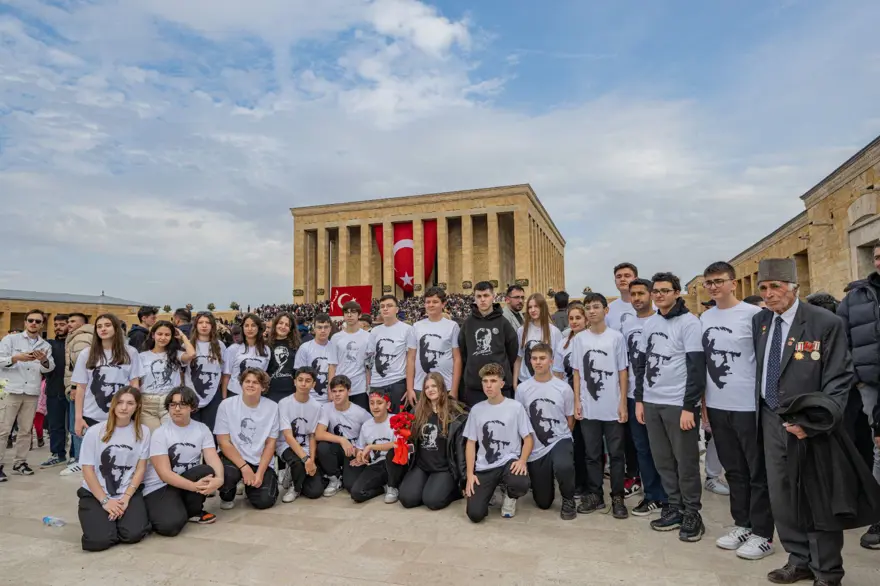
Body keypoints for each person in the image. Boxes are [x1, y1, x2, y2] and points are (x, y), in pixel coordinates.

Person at [755, 258, 861, 585]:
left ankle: (827, 571)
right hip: (772, 419)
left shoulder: (823, 322)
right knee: (783, 495)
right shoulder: (760, 322)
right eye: (763, 288)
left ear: (793, 287)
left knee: (816, 498)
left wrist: (813, 422)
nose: (769, 294)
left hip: (810, 425)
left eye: (776, 287)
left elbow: (839, 379)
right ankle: (798, 559)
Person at [698, 261, 775, 560]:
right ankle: (742, 524)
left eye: (719, 281)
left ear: (733, 283)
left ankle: (763, 533)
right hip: (718, 404)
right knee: (734, 471)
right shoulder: (705, 317)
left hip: (748, 405)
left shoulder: (755, 315)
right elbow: (703, 363)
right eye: (709, 282)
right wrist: (704, 403)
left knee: (757, 472)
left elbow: (768, 361)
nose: (714, 286)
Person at [634, 272, 706, 542]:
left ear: (677, 293)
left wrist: (690, 405)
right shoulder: (650, 323)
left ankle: (692, 512)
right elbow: (641, 364)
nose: (659, 295)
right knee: (663, 459)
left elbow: (696, 367)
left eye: (665, 290)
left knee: (685, 461)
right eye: (656, 291)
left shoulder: (689, 323)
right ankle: (674, 506)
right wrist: (640, 399)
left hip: (678, 403)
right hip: (652, 401)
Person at [570, 293, 629, 519]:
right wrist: (577, 400)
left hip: (612, 405)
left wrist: (623, 401)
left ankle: (617, 497)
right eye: (588, 307)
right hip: (589, 405)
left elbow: (623, 371)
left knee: (616, 454)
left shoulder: (616, 338)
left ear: (606, 310)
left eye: (596, 307)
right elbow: (577, 373)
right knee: (592, 455)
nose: (592, 311)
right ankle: (595, 494)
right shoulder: (580, 339)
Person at [837, 246, 880, 549]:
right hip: (872, 383)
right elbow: (841, 340)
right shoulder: (856, 297)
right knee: (879, 445)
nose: (878, 261)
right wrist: (858, 380)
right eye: (876, 256)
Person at [76, 386, 151, 552]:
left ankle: (119, 520)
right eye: (120, 402)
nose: (124, 407)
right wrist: (105, 501)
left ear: (137, 406)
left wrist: (125, 498)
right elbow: (87, 470)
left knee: (133, 535)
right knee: (99, 541)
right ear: (113, 405)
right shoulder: (95, 431)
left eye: (130, 403)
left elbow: (140, 468)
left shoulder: (143, 432)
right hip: (96, 493)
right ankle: (105, 523)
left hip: (126, 492)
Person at [142, 386, 224, 535]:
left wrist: (220, 479)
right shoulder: (160, 434)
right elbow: (164, 474)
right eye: (172, 405)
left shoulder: (202, 428)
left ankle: (192, 511)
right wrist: (194, 487)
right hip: (160, 486)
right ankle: (165, 510)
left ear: (192, 407)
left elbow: (212, 457)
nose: (177, 409)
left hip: (186, 482)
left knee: (206, 470)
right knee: (170, 527)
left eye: (182, 404)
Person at [621, 279, 669, 517]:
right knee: (642, 448)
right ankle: (653, 495)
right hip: (633, 394)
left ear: (651, 295)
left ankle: (670, 495)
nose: (637, 298)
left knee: (663, 448)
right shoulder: (627, 325)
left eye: (641, 293)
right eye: (633, 294)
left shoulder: (663, 321)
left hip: (659, 395)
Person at [464, 363, 533, 522]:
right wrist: (470, 474)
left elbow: (528, 439)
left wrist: (522, 460)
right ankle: (490, 491)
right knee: (474, 515)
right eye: (485, 381)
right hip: (485, 466)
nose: (489, 385)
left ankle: (510, 496)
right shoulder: (476, 410)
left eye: (493, 381)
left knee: (520, 482)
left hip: (508, 462)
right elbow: (470, 443)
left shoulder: (515, 407)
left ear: (502, 383)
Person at [515, 343, 577, 519]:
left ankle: (568, 499)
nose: (538, 362)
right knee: (543, 503)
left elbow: (570, 420)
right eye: (534, 358)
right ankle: (545, 480)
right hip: (536, 445)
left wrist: (563, 440)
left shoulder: (563, 388)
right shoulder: (522, 389)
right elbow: (521, 421)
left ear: (551, 361)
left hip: (559, 438)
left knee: (563, 464)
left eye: (542, 358)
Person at [398, 372, 467, 510]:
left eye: (434, 386)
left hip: (444, 468)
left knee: (432, 501)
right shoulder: (417, 411)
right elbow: (411, 442)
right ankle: (428, 485)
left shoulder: (456, 413)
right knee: (407, 499)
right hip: (422, 466)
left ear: (442, 387)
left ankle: (452, 490)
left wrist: (464, 480)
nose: (430, 390)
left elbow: (461, 450)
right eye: (427, 387)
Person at [0, 309, 54, 480]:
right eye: (31, 320)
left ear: (42, 324)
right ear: (25, 322)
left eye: (38, 321)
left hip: (31, 391)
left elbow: (49, 367)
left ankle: (20, 462)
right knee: (3, 430)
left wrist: (43, 360)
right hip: (11, 390)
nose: (34, 324)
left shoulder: (45, 345)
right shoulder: (10, 339)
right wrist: (16, 358)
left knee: (25, 430)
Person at [215, 368, 280, 510]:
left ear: (263, 387)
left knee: (265, 501)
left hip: (258, 460)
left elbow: (270, 444)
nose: (250, 385)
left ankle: (249, 488)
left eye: (255, 382)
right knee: (228, 476)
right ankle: (228, 494)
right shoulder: (226, 405)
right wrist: (244, 468)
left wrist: (260, 473)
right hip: (233, 458)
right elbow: (223, 442)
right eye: (247, 381)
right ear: (241, 384)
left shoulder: (273, 407)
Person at [73, 314, 142, 439]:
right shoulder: (86, 354)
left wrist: (135, 412)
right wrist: (78, 417)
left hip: (122, 415)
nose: (103, 329)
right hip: (92, 416)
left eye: (107, 325)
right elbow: (81, 387)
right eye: (99, 326)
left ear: (116, 327)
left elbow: (134, 384)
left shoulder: (131, 352)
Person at [458, 282, 519, 407]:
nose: (482, 300)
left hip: (500, 386)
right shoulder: (468, 323)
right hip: (475, 387)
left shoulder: (503, 323)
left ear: (493, 296)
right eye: (479, 296)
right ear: (474, 298)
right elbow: (463, 351)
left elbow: (512, 350)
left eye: (486, 295)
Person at [315, 375, 373, 497]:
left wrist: (363, 451)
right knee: (322, 447)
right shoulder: (326, 408)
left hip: (353, 451)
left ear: (349, 391)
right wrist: (342, 439)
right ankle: (334, 478)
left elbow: (373, 432)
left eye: (341, 390)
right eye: (334, 391)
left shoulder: (360, 412)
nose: (337, 394)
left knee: (351, 486)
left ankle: (346, 477)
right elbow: (319, 434)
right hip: (337, 449)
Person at [553, 303, 589, 497]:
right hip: (569, 398)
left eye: (578, 318)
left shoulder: (591, 339)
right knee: (574, 441)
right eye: (572, 318)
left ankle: (589, 484)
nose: (574, 321)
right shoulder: (564, 342)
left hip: (587, 398)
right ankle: (577, 483)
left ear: (586, 319)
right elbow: (558, 373)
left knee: (588, 444)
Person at [277, 367, 326, 503]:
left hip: (305, 448)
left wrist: (311, 459)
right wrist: (306, 460)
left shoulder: (316, 406)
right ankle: (295, 488)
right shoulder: (284, 403)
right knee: (298, 463)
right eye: (300, 380)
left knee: (315, 492)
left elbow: (311, 435)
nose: (303, 384)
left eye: (308, 381)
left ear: (313, 384)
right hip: (286, 445)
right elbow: (287, 436)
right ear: (295, 382)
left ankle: (295, 476)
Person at [347, 390, 404, 504]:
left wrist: (372, 446)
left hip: (395, 464)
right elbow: (360, 447)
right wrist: (360, 454)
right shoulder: (367, 425)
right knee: (356, 493)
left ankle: (393, 487)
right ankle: (383, 488)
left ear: (387, 405)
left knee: (392, 452)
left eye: (379, 403)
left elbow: (398, 444)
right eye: (372, 403)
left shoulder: (396, 419)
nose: (375, 407)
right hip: (376, 465)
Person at [139, 321, 196, 431]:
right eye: (159, 334)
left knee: (172, 435)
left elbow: (192, 354)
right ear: (153, 335)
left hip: (170, 402)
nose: (163, 338)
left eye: (167, 335)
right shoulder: (142, 356)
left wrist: (183, 336)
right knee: (153, 438)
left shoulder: (176, 354)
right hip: (147, 404)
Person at [365, 297, 417, 413]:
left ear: (397, 309)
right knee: (378, 421)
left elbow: (411, 359)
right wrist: (369, 385)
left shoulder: (407, 330)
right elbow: (369, 360)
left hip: (397, 382)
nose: (385, 309)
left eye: (389, 306)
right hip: (376, 383)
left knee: (397, 423)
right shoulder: (375, 331)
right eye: (382, 306)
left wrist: (409, 388)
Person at [412, 287, 462, 400]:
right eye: (428, 302)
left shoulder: (452, 326)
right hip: (421, 386)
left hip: (446, 385)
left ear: (443, 304)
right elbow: (411, 358)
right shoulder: (416, 326)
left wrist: (454, 389)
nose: (431, 305)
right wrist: (410, 388)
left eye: (435, 302)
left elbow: (457, 358)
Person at [62, 312, 94, 476]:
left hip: (79, 388)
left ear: (83, 323)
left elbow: (79, 367)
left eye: (73, 321)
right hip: (85, 388)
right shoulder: (81, 335)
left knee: (78, 424)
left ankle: (80, 460)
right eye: (68, 321)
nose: (69, 324)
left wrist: (74, 387)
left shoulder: (81, 338)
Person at [186, 312, 227, 432]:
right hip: (192, 393)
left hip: (213, 394)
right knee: (193, 430)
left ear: (213, 326)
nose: (204, 325)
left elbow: (223, 372)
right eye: (200, 322)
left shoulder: (220, 346)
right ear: (195, 325)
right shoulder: (187, 345)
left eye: (208, 322)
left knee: (211, 429)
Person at [328, 301, 371, 410]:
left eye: (353, 312)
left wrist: (369, 387)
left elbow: (368, 366)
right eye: (346, 312)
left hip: (360, 388)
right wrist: (330, 389)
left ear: (359, 315)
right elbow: (332, 365)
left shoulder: (368, 337)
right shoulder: (336, 338)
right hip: (340, 387)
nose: (349, 315)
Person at [514, 293, 563, 388]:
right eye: (530, 307)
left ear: (542, 307)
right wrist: (515, 384)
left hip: (548, 384)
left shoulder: (554, 332)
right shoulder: (521, 331)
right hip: (525, 381)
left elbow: (558, 361)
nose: (532, 310)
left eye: (536, 306)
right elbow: (519, 358)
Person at [41, 314, 69, 468]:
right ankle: (57, 454)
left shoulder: (75, 344)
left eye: (62, 324)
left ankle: (75, 455)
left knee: (72, 426)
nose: (58, 327)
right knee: (55, 425)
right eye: (56, 324)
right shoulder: (48, 344)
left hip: (73, 391)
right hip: (54, 389)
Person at [221, 313, 269, 398]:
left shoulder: (266, 350)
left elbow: (263, 374)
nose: (250, 329)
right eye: (246, 326)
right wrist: (224, 399)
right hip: (235, 394)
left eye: (253, 325)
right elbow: (226, 376)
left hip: (255, 395)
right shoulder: (233, 349)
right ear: (242, 328)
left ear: (259, 328)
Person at [293, 313, 334, 403]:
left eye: (326, 327)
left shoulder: (335, 348)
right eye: (319, 327)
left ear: (330, 328)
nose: (323, 330)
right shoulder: (305, 348)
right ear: (314, 329)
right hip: (309, 399)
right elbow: (299, 374)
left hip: (330, 399)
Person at [266, 312, 301, 404]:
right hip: (270, 391)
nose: (283, 326)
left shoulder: (297, 346)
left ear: (290, 329)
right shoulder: (266, 345)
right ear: (276, 324)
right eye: (280, 323)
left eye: (287, 325)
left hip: (291, 391)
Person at [606, 262, 639, 331]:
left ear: (636, 280)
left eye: (627, 276)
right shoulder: (608, 310)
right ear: (615, 281)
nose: (622, 279)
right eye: (619, 277)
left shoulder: (651, 306)